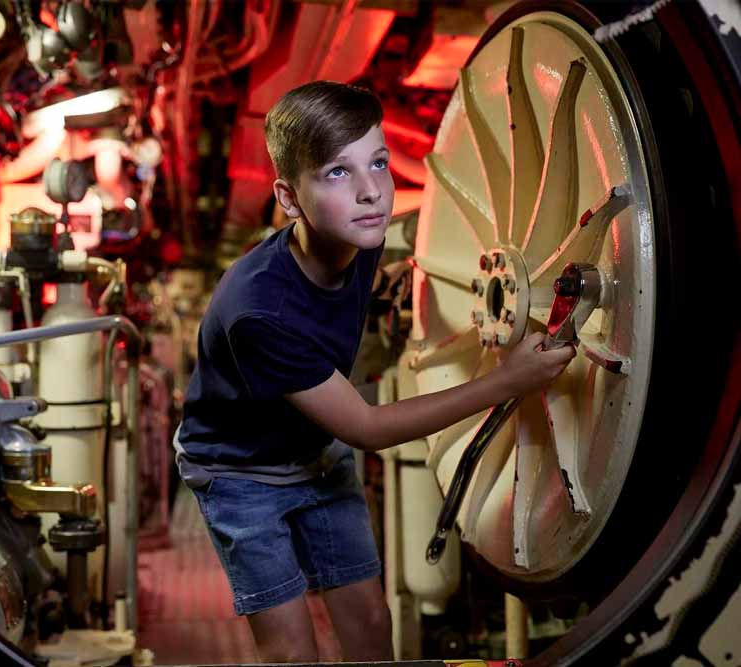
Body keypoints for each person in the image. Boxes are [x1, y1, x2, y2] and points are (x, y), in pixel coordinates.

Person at [173, 80, 575, 663]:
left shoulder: (360, 237)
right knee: (291, 650)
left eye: (379, 163)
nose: (372, 193)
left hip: (315, 452)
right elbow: (367, 428)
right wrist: (506, 382)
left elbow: (423, 242)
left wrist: (395, 280)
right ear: (287, 198)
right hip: (241, 475)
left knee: (368, 620)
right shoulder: (259, 311)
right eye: (337, 172)